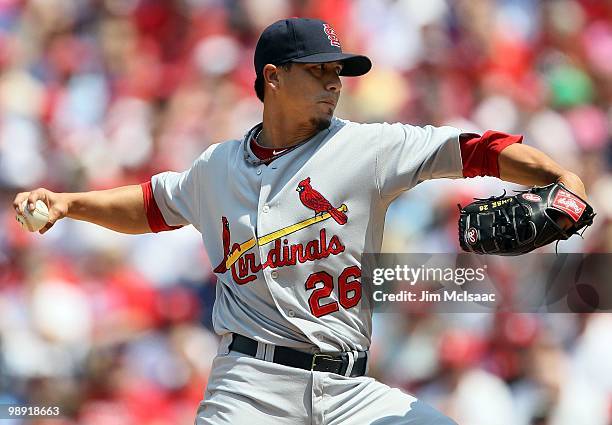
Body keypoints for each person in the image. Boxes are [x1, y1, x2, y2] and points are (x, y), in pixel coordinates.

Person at [13, 18, 587, 425]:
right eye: (318, 71)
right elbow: (149, 205)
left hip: (348, 389)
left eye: (338, 71)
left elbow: (477, 148)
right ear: (272, 78)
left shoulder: (369, 148)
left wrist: (563, 178)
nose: (334, 83)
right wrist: (69, 203)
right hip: (248, 386)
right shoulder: (216, 168)